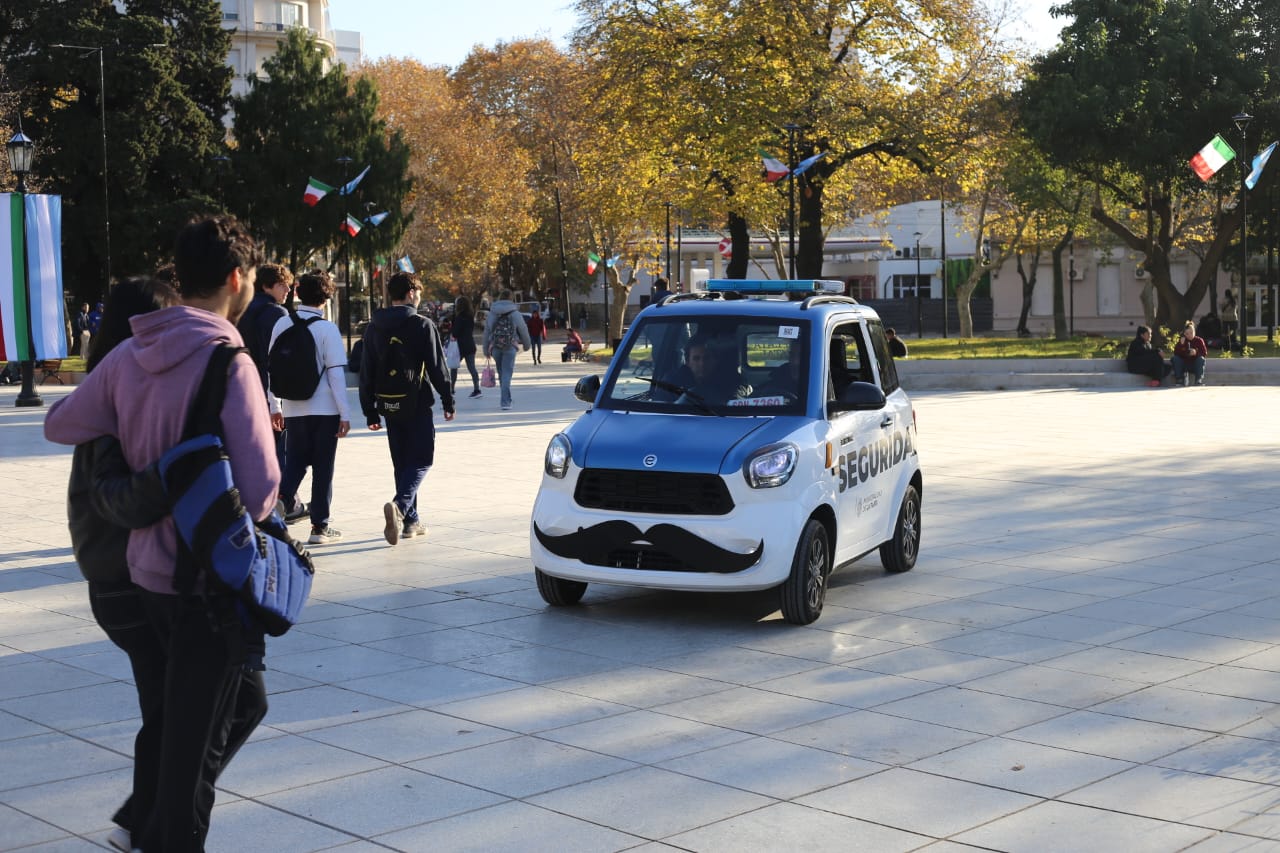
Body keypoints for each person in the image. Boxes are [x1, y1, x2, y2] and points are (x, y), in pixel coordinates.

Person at [45, 214, 276, 853]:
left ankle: (145, 825)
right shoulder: (229, 360)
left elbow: (60, 423)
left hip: (147, 576)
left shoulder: (127, 353)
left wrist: (135, 434)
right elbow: (260, 494)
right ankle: (158, 833)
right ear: (237, 278)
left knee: (196, 724)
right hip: (209, 580)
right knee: (190, 757)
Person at [68, 277, 177, 853]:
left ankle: (144, 819)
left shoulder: (105, 382)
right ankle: (142, 821)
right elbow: (120, 496)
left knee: (169, 704)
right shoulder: (122, 388)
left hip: (112, 576)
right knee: (182, 707)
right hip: (129, 577)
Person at [359, 272, 456, 545]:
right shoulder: (421, 324)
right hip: (417, 401)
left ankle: (411, 522)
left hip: (389, 404)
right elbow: (437, 367)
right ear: (411, 292)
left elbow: (366, 370)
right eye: (419, 292)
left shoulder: (374, 327)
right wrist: (448, 400)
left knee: (402, 463)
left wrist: (369, 410)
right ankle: (401, 507)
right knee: (422, 459)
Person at [268, 270, 350, 545]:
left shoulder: (282, 324)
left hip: (293, 407)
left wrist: (274, 405)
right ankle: (319, 527)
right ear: (326, 298)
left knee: (295, 462)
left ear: (298, 294)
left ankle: (281, 501)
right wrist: (345, 414)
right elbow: (336, 375)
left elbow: (271, 368)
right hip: (325, 408)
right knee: (323, 467)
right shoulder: (327, 329)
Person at [237, 262, 293, 480]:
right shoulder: (276, 313)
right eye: (282, 285)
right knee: (278, 448)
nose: (288, 289)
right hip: (268, 389)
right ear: (266, 286)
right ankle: (282, 494)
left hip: (243, 386)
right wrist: (276, 402)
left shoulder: (241, 310)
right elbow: (276, 359)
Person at [482, 288, 531, 411]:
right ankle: (505, 402)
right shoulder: (515, 313)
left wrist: (485, 349)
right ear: (511, 299)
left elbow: (486, 332)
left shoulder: (492, 313)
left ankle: (505, 398)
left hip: (495, 347)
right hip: (510, 346)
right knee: (507, 374)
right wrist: (527, 345)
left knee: (501, 373)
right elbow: (523, 329)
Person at [450, 295, 481, 398]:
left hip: (459, 347)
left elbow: (455, 333)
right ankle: (477, 389)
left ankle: (451, 389)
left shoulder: (459, 317)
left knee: (454, 367)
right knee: (472, 368)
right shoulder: (470, 317)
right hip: (470, 345)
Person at [1171, 321, 1208, 386]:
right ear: (1184, 334)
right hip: (1184, 364)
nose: (1190, 335)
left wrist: (1196, 353)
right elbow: (1176, 353)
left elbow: (1204, 353)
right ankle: (1179, 379)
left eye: (1191, 333)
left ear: (1194, 332)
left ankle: (1198, 380)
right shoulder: (1182, 340)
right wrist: (1181, 345)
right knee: (1175, 359)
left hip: (1194, 364)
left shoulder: (1199, 340)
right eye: (1187, 334)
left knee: (1201, 359)